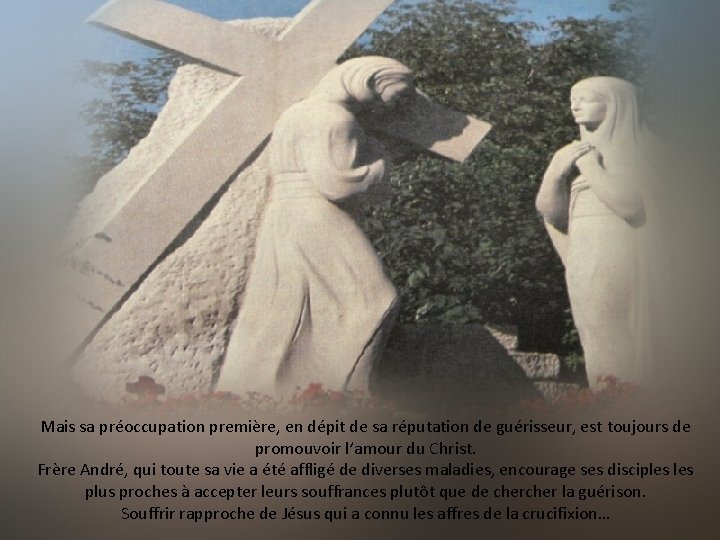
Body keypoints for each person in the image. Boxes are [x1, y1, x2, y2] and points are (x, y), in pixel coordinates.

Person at [215, 57, 416, 397]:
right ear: (369, 83)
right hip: (317, 215)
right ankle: (343, 397)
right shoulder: (335, 119)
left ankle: (271, 393)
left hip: (285, 216)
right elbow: (336, 183)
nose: (383, 109)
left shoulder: (295, 114)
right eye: (386, 98)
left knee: (286, 307)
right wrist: (381, 165)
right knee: (375, 301)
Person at [536, 76, 653, 388]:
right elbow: (552, 214)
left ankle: (627, 399)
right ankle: (606, 397)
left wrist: (590, 166)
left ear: (614, 104)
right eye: (572, 99)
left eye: (585, 98)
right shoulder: (575, 154)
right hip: (583, 254)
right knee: (591, 329)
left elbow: (630, 205)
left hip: (620, 251)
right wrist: (555, 173)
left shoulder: (642, 151)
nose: (574, 106)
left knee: (615, 327)